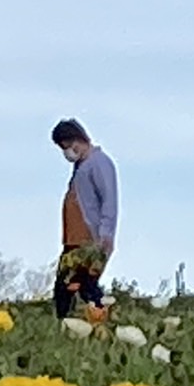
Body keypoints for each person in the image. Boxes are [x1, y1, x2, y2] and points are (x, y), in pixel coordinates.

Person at [51, 119, 118, 318]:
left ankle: (101, 321)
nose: (68, 152)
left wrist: (105, 234)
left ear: (80, 139)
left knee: (81, 287)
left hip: (89, 240)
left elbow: (109, 200)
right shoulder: (81, 167)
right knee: (70, 289)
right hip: (73, 240)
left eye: (70, 146)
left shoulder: (99, 163)